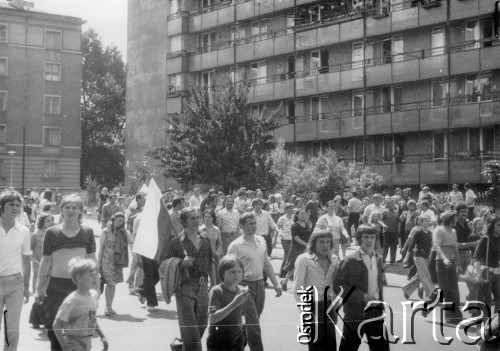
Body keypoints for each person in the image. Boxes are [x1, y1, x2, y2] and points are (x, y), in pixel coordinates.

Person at [35, 194, 97, 350]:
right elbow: (45, 261)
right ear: (61, 210)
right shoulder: (51, 232)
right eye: (67, 207)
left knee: (78, 331)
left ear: (80, 211)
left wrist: (96, 285)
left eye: (74, 207)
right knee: (53, 326)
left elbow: (92, 260)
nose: (70, 210)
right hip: (55, 286)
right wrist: (38, 288)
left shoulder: (88, 232)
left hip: (79, 288)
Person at [227, 212, 282, 351]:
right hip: (244, 286)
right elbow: (227, 268)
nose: (253, 226)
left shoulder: (261, 240)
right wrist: (232, 288)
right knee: (254, 325)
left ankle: (235, 345)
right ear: (242, 226)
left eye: (254, 223)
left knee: (254, 320)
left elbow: (266, 263)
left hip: (260, 284)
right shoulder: (236, 245)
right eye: (250, 224)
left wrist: (276, 283)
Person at [166, 207, 215, 351]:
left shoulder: (204, 239)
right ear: (184, 222)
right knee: (190, 327)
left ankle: (181, 346)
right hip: (184, 286)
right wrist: (181, 263)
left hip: (203, 284)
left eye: (197, 217)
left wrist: (215, 283)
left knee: (202, 323)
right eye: (192, 218)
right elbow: (165, 263)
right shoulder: (176, 242)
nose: (196, 220)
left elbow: (211, 260)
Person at [334, 224, 390, 351]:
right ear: (359, 239)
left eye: (372, 237)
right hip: (355, 313)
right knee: (349, 347)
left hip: (376, 311)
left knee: (381, 347)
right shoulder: (350, 260)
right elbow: (338, 286)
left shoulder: (378, 259)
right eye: (366, 237)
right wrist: (361, 296)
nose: (369, 240)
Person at [294, 228, 340, 351]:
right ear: (314, 243)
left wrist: (336, 307)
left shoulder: (334, 260)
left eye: (328, 242)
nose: (325, 245)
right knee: (315, 345)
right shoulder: (304, 259)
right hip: (311, 306)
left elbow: (336, 286)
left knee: (330, 344)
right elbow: (298, 288)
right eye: (321, 242)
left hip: (328, 305)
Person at [52, 258, 108, 351]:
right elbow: (57, 325)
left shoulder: (93, 295)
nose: (95, 277)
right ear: (79, 278)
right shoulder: (72, 300)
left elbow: (92, 318)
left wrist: (102, 336)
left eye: (95, 275)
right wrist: (64, 346)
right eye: (90, 275)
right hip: (73, 342)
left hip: (87, 341)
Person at [0, 190, 31, 351]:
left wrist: (26, 286)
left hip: (15, 283)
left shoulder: (24, 231)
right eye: (11, 204)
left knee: (11, 328)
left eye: (18, 205)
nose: (14, 208)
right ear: (2, 206)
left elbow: (26, 259)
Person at [207, 255, 248, 351]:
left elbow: (240, 315)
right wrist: (235, 303)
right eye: (232, 272)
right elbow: (213, 318)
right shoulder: (217, 291)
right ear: (222, 273)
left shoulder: (241, 290)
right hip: (218, 340)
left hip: (237, 339)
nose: (237, 275)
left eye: (239, 271)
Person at [99, 212, 133, 316]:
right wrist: (98, 263)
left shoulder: (122, 232)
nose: (121, 223)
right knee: (108, 284)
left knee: (112, 285)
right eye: (119, 220)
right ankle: (101, 307)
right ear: (113, 220)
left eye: (122, 221)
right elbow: (101, 248)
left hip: (117, 262)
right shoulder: (105, 232)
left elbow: (131, 241)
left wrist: (125, 229)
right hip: (107, 261)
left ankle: (108, 307)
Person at [432, 210, 462, 324]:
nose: (457, 220)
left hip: (452, 262)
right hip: (441, 262)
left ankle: (454, 315)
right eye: (455, 218)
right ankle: (429, 303)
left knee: (454, 289)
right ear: (450, 219)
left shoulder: (453, 231)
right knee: (445, 289)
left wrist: (458, 264)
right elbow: (437, 246)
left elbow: (455, 248)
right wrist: (444, 259)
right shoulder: (439, 230)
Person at [472, 215, 500, 317]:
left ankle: (495, 325)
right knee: (485, 303)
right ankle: (484, 327)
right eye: (498, 225)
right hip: (486, 273)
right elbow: (476, 257)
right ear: (492, 225)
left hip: (498, 274)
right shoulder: (486, 238)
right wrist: (477, 272)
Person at [281, 208, 311, 290]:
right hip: (296, 247)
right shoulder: (294, 225)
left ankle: (303, 285)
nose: (303, 215)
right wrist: (306, 245)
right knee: (294, 266)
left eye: (304, 213)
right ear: (296, 215)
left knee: (306, 265)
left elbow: (310, 235)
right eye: (301, 213)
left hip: (306, 247)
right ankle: (285, 281)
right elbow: (296, 238)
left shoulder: (307, 225)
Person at [30, 213, 55, 294]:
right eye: (48, 220)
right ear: (42, 222)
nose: (50, 222)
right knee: (37, 277)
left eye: (51, 220)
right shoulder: (35, 234)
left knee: (48, 280)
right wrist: (35, 261)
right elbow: (28, 251)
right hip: (37, 261)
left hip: (49, 263)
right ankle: (35, 295)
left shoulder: (53, 233)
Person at [199, 210, 223, 284]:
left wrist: (217, 252)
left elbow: (219, 243)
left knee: (215, 278)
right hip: (202, 257)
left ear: (213, 219)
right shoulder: (199, 230)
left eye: (209, 217)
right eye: (205, 217)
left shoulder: (217, 230)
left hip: (214, 256)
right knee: (203, 278)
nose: (207, 219)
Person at [276, 203, 294, 278]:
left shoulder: (294, 218)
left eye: (291, 208)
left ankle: (289, 273)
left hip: (292, 238)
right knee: (287, 254)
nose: (291, 210)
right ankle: (282, 272)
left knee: (291, 256)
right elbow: (278, 229)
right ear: (286, 210)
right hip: (284, 238)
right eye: (289, 208)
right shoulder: (282, 218)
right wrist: (276, 239)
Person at [382, 200, 399, 264]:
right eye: (390, 203)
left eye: (393, 203)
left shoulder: (396, 212)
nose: (392, 204)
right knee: (386, 246)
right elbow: (380, 220)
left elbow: (397, 221)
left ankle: (392, 261)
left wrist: (398, 228)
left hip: (395, 231)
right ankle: (383, 260)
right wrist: (383, 225)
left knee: (394, 246)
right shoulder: (384, 212)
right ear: (388, 204)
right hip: (387, 231)